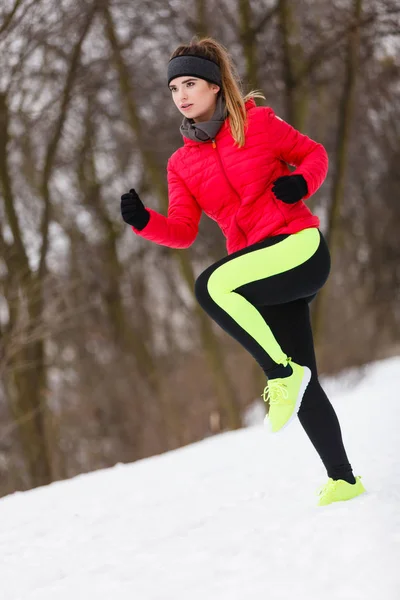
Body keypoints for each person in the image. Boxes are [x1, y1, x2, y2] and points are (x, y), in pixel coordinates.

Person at [120, 37, 366, 506]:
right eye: (174, 88)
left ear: (214, 86)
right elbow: (184, 231)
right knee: (304, 376)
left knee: (210, 285)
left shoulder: (260, 123)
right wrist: (144, 222)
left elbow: (314, 154)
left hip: (298, 247)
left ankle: (277, 374)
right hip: (259, 272)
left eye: (190, 83)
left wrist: (301, 181)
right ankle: (344, 478)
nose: (182, 95)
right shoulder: (181, 164)